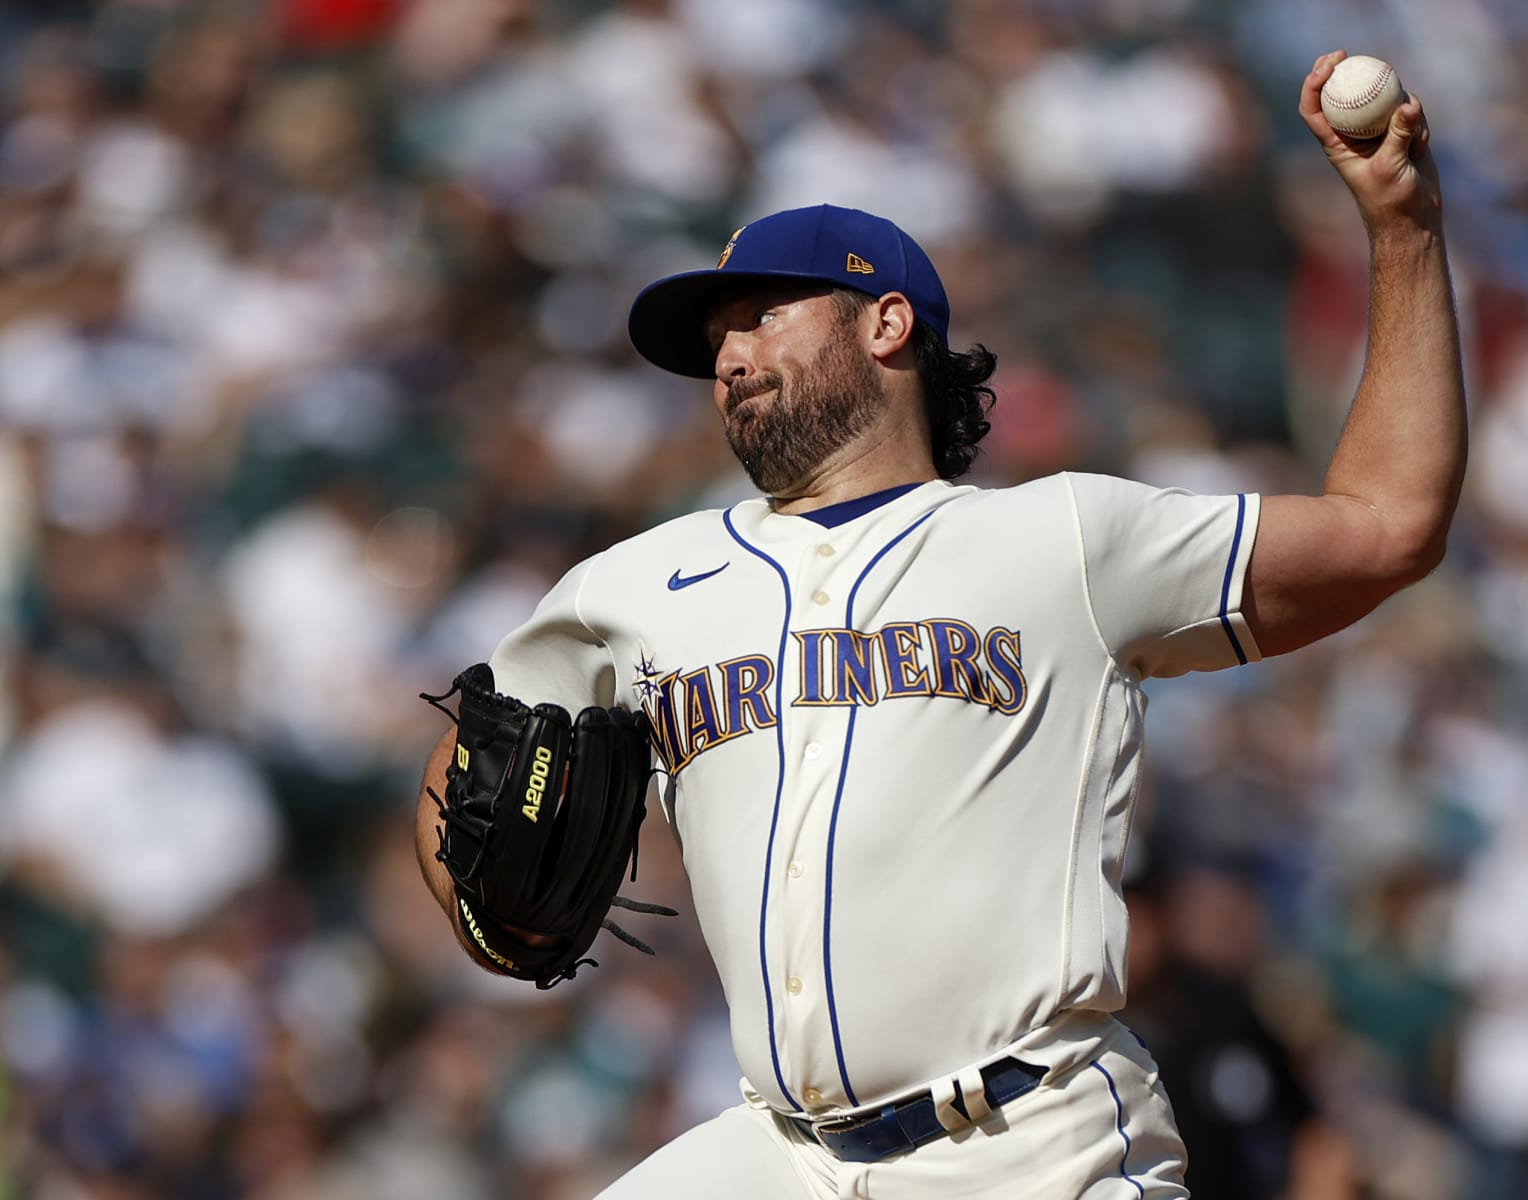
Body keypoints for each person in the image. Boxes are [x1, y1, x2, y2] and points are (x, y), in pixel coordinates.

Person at [414, 51, 1464, 1198]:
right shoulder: (636, 584)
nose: (727, 356)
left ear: (886, 325)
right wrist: (478, 907)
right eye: (716, 338)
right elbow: (472, 769)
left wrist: (1402, 233)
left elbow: (1389, 524)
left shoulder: (1062, 538)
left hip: (1033, 1142)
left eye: (761, 315)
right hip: (784, 1155)